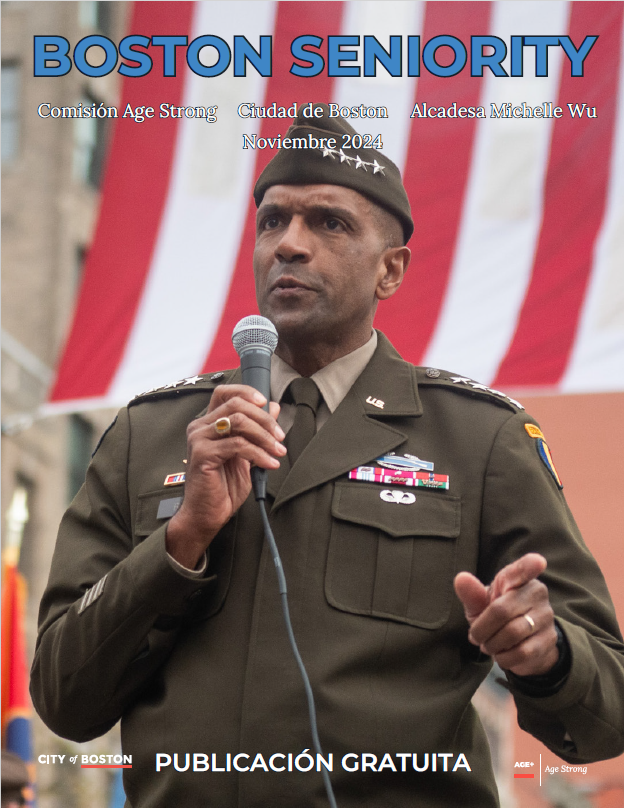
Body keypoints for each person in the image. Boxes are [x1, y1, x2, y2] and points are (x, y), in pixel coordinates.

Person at [31, 106, 624, 808]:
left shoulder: (479, 440)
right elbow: (64, 698)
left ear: (391, 271)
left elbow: (605, 713)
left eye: (329, 223)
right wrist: (181, 541)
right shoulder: (152, 435)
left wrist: (546, 658)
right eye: (273, 222)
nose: (290, 244)